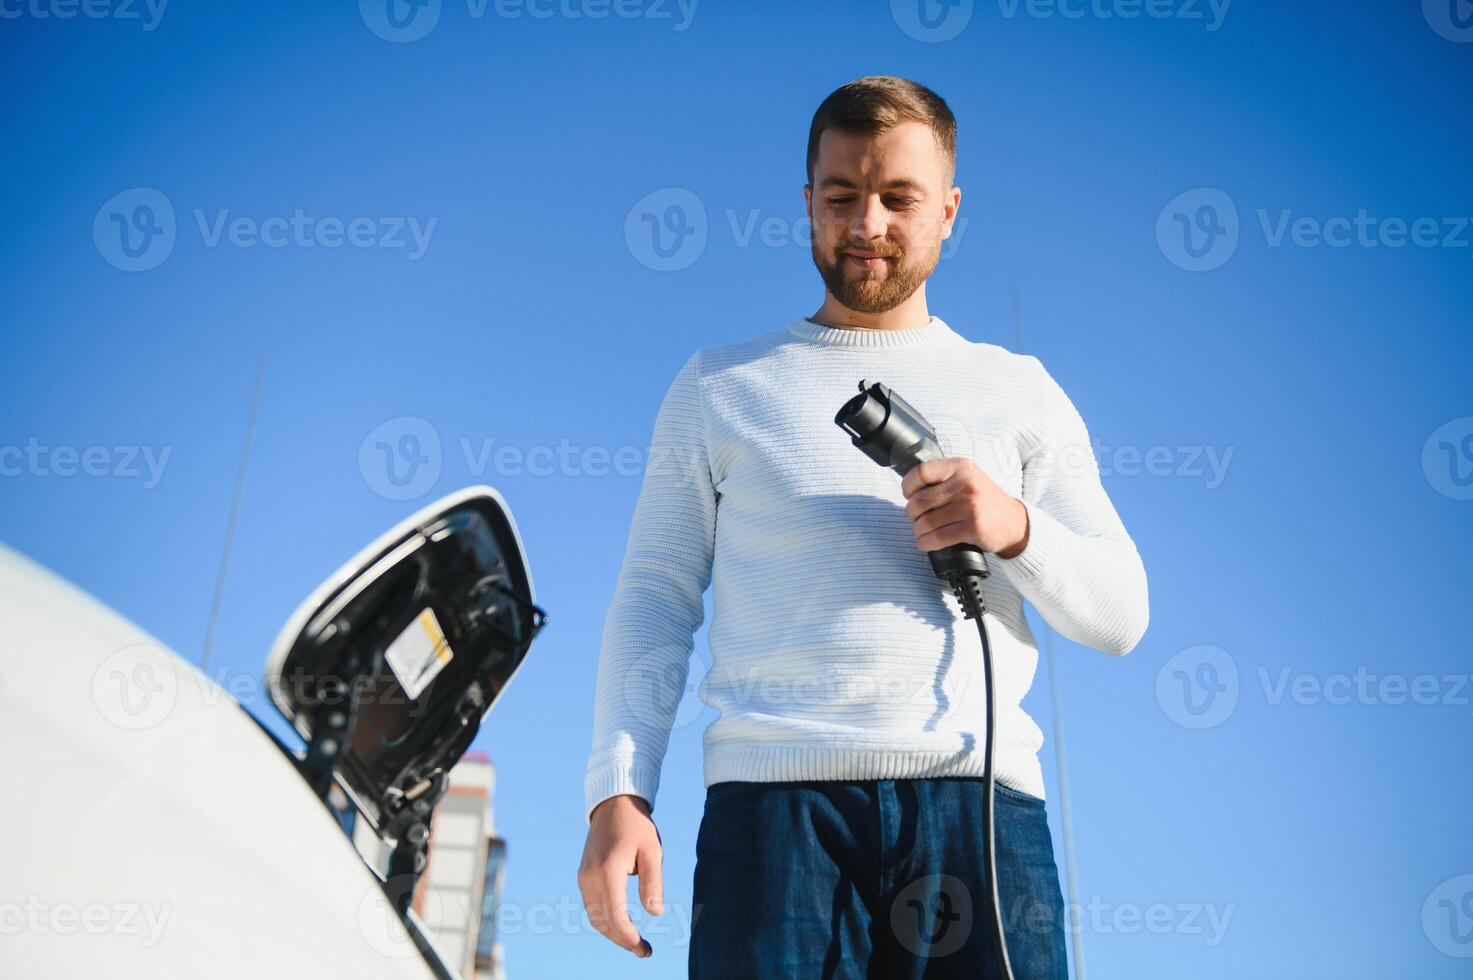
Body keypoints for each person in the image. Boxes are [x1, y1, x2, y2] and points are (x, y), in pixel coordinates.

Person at [576, 74, 1149, 979]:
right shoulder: (720, 386)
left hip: (980, 811)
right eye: (840, 197)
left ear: (949, 210)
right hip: (772, 820)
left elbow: (1121, 615)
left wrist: (1013, 526)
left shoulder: (1019, 389)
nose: (866, 223)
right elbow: (653, 597)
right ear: (806, 204)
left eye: (898, 198)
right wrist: (618, 791)